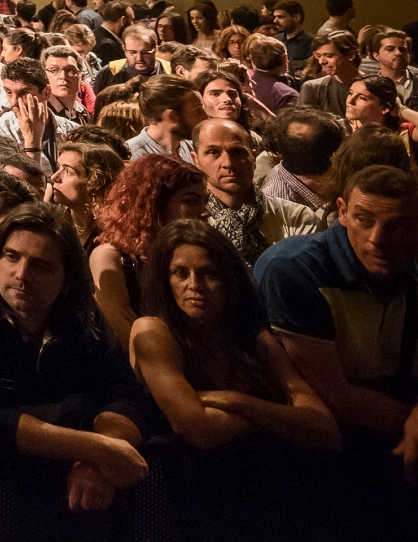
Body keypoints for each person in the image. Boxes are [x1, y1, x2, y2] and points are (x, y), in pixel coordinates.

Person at [129, 219, 339, 540]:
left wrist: (236, 400)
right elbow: (198, 429)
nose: (194, 284)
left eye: (210, 273)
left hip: (265, 499)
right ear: (163, 278)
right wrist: (277, 414)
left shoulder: (252, 339)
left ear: (229, 280)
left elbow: (323, 428)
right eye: (180, 273)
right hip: (186, 503)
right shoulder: (152, 332)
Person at [0, 203, 148, 519]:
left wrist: (100, 460)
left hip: (76, 499)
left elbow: (125, 395)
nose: (22, 274)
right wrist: (95, 448)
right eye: (11, 257)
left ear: (66, 277)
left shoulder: (82, 314)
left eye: (42, 265)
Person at [257, 164, 418, 534]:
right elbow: (335, 397)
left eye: (397, 226)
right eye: (363, 220)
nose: (377, 239)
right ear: (341, 211)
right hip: (325, 440)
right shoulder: (295, 269)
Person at [90, 153, 209, 346]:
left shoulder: (198, 251)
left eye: (205, 201)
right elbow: (127, 337)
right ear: (153, 205)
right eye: (191, 201)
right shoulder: (112, 257)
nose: (206, 211)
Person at [192, 117, 325, 266]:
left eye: (237, 152)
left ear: (253, 156)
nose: (228, 163)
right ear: (195, 160)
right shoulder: (190, 223)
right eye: (213, 152)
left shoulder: (297, 217)